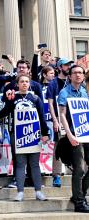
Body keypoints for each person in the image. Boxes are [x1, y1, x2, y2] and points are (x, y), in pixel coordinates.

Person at [0, 73, 49, 201]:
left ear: (30, 84)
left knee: (35, 164)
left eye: (27, 81)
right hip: (17, 134)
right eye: (22, 81)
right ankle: (20, 192)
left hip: (33, 134)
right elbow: (2, 114)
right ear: (17, 84)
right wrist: (9, 101)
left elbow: (41, 117)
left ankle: (38, 191)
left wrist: (45, 133)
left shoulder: (35, 98)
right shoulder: (12, 97)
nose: (25, 83)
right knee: (20, 164)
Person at [58, 65, 89, 213]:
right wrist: (69, 135)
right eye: (75, 73)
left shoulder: (84, 92)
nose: (78, 75)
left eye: (80, 73)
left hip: (86, 134)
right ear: (69, 76)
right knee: (79, 168)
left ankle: (79, 195)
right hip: (73, 135)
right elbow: (62, 114)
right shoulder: (64, 92)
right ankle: (79, 202)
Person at [46, 58, 74, 188]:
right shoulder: (53, 83)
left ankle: (76, 171)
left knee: (76, 146)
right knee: (58, 148)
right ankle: (56, 175)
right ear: (59, 67)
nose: (68, 67)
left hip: (72, 120)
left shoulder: (72, 81)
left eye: (69, 65)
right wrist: (55, 120)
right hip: (60, 119)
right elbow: (51, 104)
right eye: (66, 65)